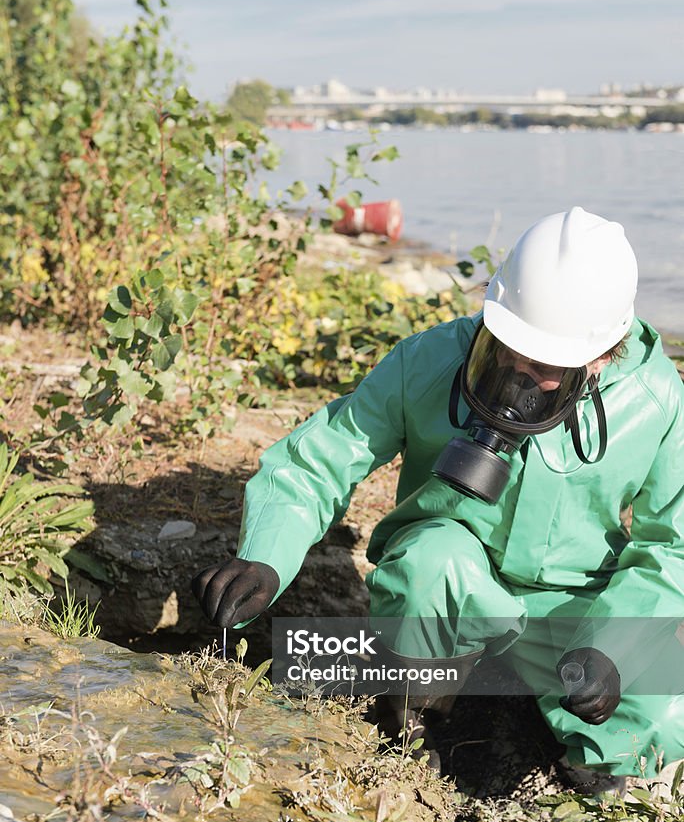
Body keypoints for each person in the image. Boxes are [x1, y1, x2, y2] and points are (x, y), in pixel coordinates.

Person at [192, 207, 684, 787]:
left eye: (543, 365)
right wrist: (267, 552)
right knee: (431, 559)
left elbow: (670, 546)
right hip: (448, 587)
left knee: (662, 710)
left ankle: (585, 754)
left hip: (573, 606)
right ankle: (410, 711)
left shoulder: (656, 400)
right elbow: (322, 455)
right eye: (505, 344)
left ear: (604, 354)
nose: (515, 371)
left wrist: (613, 647)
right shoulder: (429, 360)